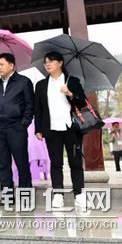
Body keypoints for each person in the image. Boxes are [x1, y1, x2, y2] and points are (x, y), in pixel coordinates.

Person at [34, 51, 88, 208]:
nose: (47, 64)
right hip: (52, 129)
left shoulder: (72, 81)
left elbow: (83, 102)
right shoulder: (41, 85)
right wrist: (38, 129)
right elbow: (38, 109)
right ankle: (58, 194)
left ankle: (79, 194)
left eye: (51, 61)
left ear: (60, 63)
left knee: (75, 162)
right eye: (45, 62)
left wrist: (70, 93)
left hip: (71, 128)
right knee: (56, 163)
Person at [0, 53, 34, 206]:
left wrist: (24, 124)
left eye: (1, 64)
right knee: (2, 164)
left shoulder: (24, 82)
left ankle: (25, 196)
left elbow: (30, 105)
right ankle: (7, 197)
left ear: (11, 65)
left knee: (21, 162)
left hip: (16, 127)